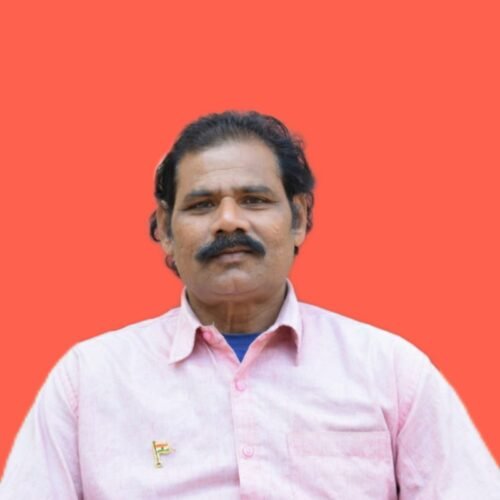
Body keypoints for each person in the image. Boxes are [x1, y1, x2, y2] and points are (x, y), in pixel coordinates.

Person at [1, 111, 498, 499]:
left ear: (298, 219)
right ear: (166, 231)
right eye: (201, 205)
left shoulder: (390, 371)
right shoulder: (89, 380)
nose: (228, 221)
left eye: (255, 200)